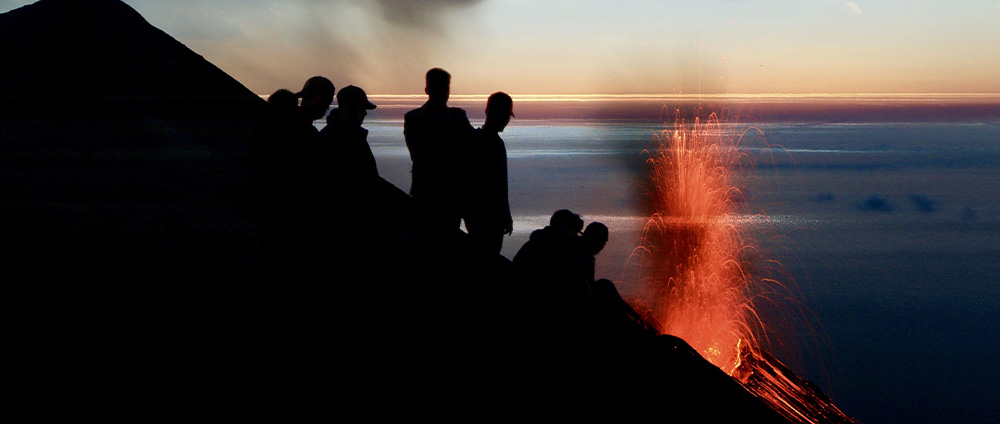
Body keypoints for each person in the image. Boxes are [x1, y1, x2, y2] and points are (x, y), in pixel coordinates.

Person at [403, 68, 474, 229]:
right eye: (438, 87)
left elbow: (471, 147)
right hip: (428, 195)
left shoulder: (458, 117)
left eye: (445, 88)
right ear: (427, 90)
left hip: (450, 198)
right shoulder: (414, 119)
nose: (442, 92)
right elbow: (419, 155)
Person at [464, 92, 514, 255]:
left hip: (490, 218)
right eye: (504, 115)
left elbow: (501, 183)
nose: (506, 120)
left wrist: (506, 216)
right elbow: (486, 184)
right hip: (484, 218)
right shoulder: (484, 142)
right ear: (489, 113)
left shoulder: (494, 143)